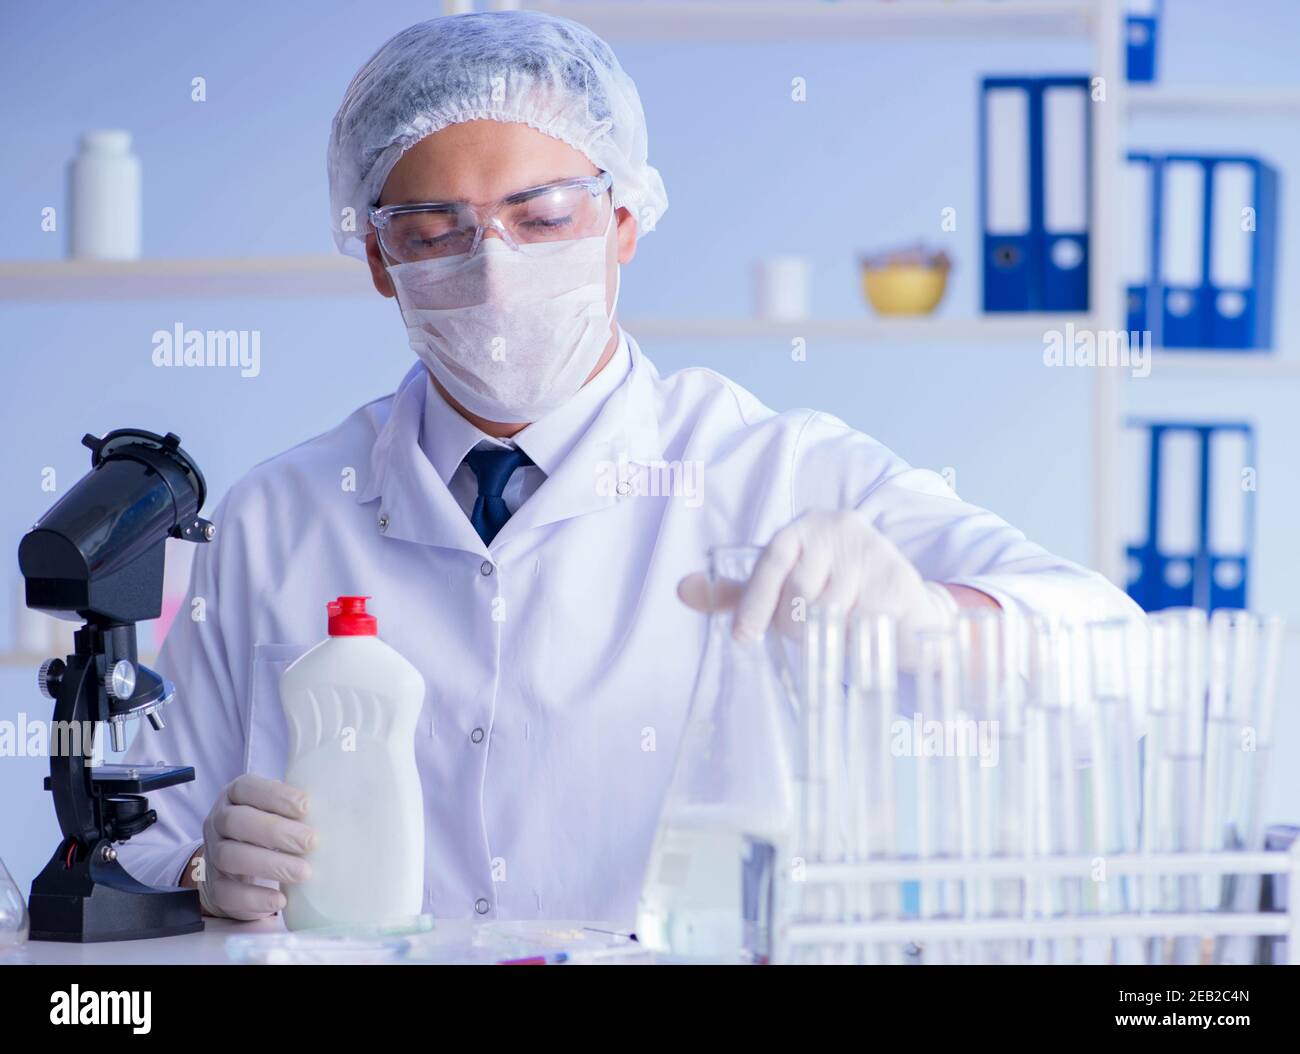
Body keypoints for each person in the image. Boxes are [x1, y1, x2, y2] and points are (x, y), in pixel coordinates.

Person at [117, 10, 1142, 926]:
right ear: (378, 258)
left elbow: (1121, 659)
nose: (493, 267)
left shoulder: (779, 472)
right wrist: (206, 871)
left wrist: (931, 623)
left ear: (622, 222)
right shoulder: (279, 516)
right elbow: (132, 842)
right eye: (434, 231)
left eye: (544, 217)